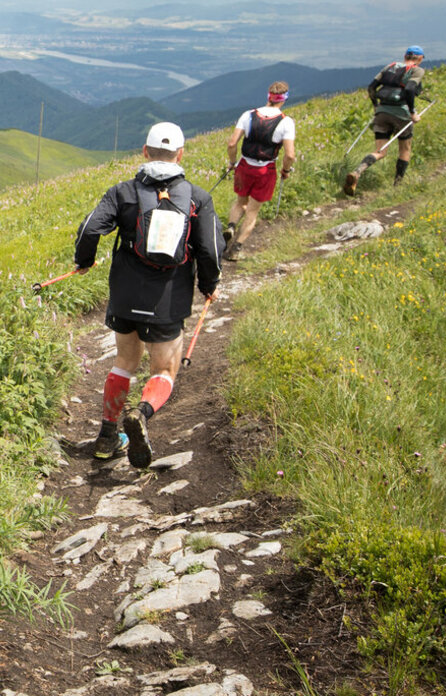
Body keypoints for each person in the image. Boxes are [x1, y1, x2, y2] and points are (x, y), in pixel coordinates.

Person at [74, 122, 222, 468]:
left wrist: (84, 260)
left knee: (124, 361)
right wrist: (209, 284)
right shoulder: (198, 198)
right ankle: (141, 414)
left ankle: (108, 434)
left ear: (144, 151)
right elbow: (211, 249)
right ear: (181, 154)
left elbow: (89, 227)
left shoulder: (122, 192)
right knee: (165, 368)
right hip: (168, 300)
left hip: (125, 294)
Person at [222, 82, 296, 260]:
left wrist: (232, 162)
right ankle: (236, 249)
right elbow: (290, 155)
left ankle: (231, 226)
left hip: (244, 166)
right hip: (265, 170)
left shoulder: (248, 115)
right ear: (284, 99)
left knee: (240, 202)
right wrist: (285, 170)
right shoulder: (286, 122)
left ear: (268, 96)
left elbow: (232, 143)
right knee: (253, 210)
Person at [344, 46, 426, 196]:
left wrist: (376, 106)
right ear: (420, 59)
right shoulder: (417, 70)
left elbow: (371, 87)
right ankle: (398, 186)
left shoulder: (390, 66)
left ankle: (358, 172)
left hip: (381, 113)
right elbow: (409, 90)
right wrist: (413, 113)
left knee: (380, 151)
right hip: (401, 113)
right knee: (405, 149)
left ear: (405, 55)